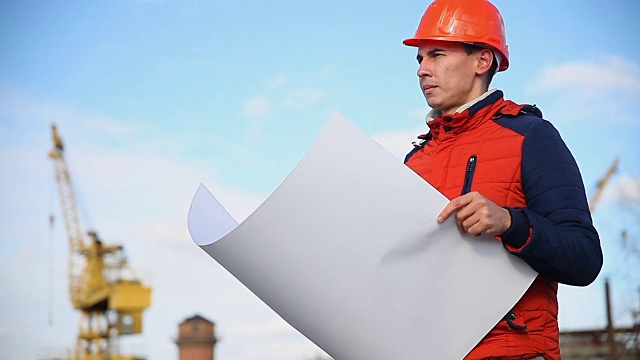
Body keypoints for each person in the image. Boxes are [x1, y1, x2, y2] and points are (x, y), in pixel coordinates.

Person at [402, 0, 603, 359]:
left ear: (482, 61)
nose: (422, 69)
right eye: (419, 59)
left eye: (435, 55)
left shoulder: (532, 136)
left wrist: (510, 222)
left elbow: (585, 258)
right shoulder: (414, 161)